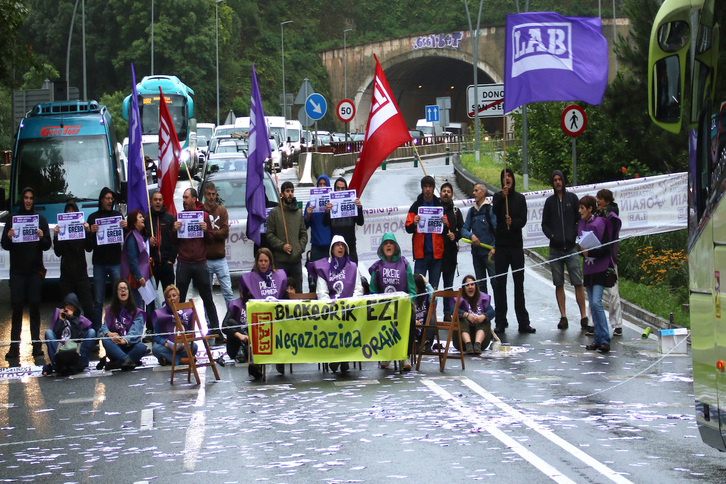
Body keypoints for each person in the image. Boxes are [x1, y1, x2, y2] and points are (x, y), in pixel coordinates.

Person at [1, 187, 52, 358]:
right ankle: (14, 347)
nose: (28, 201)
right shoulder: (13, 218)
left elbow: (47, 245)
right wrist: (8, 236)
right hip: (17, 272)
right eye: (26, 198)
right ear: (22, 200)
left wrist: (41, 236)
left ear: (33, 200)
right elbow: (4, 245)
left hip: (35, 271)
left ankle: (36, 345)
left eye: (31, 198)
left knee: (35, 307)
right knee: (17, 308)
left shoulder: (40, 219)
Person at [172, 188, 223, 344]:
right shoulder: (179, 216)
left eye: (186, 197)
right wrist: (174, 230)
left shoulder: (205, 216)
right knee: (179, 300)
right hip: (184, 262)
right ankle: (179, 332)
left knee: (207, 297)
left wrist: (206, 230)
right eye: (183, 197)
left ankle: (216, 331)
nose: (184, 200)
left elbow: (210, 241)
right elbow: (174, 241)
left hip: (200, 262)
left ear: (194, 199)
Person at [541, 170, 588, 330]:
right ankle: (563, 316)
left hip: (571, 248)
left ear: (564, 181)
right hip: (555, 249)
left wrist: (573, 234)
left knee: (577, 282)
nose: (558, 182)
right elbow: (544, 224)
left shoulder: (572, 199)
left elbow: (579, 219)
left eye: (560, 179)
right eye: (555, 180)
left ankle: (583, 316)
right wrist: (552, 235)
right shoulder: (549, 202)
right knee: (558, 283)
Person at [230, 248, 287, 377]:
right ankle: (256, 364)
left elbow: (284, 296)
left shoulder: (280, 275)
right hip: (258, 318)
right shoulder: (249, 278)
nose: (263, 263)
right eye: (260, 261)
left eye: (266, 261)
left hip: (276, 316)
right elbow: (244, 300)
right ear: (256, 262)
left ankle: (280, 359)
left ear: (270, 262)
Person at [311, 235, 364, 373]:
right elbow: (322, 292)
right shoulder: (324, 267)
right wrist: (331, 306)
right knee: (335, 324)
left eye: (342, 245)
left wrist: (350, 304)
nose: (340, 247)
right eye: (337, 245)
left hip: (350, 309)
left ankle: (340, 358)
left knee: (349, 324)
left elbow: (358, 289)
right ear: (332, 249)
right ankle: (341, 358)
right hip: (331, 310)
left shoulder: (352, 267)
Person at [491, 168, 535, 334]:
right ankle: (501, 321)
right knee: (500, 285)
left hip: (516, 246)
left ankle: (523, 322)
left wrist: (513, 221)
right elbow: (495, 210)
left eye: (509, 176)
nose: (507, 179)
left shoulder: (520, 199)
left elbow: (523, 220)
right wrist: (503, 197)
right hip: (501, 246)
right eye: (504, 177)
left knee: (519, 285)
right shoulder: (497, 197)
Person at [369, 232, 416, 371]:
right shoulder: (376, 267)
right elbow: (372, 291)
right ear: (382, 247)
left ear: (395, 246)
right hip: (383, 308)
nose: (388, 245)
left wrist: (408, 301)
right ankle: (386, 354)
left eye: (391, 243)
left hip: (402, 308)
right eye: (385, 243)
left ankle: (404, 356)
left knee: (411, 319)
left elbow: (412, 290)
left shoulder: (405, 264)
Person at [86, 187, 127, 331]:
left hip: (115, 261)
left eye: (112, 199)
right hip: (99, 264)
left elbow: (126, 239)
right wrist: (90, 233)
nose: (110, 201)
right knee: (98, 301)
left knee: (120, 297)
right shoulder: (92, 217)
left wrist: (125, 227)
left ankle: (120, 328)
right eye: (107, 198)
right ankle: (97, 333)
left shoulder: (118, 215)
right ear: (101, 200)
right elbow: (88, 247)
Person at [578, 195, 612, 353]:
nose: (580, 211)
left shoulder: (601, 223)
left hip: (599, 267)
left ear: (590, 209)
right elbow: (579, 244)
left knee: (597, 302)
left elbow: (606, 247)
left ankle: (605, 338)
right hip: (588, 268)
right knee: (592, 303)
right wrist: (582, 251)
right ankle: (598, 339)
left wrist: (591, 251)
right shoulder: (581, 224)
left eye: (582, 208)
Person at [143, 190, 177, 337]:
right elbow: (139, 239)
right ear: (151, 202)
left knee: (171, 297)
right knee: (150, 299)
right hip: (151, 266)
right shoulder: (145, 218)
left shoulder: (169, 218)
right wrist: (147, 240)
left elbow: (176, 240)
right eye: (155, 200)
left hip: (166, 265)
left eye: (160, 200)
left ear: (163, 202)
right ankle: (151, 328)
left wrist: (171, 260)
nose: (157, 202)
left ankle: (173, 323)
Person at [53, 201, 94, 320]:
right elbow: (57, 252)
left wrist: (88, 233)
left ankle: (91, 336)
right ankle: (68, 335)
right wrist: (56, 236)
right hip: (66, 276)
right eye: (68, 211)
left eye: (73, 211)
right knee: (68, 310)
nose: (70, 213)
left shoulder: (81, 228)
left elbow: (89, 248)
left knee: (88, 307)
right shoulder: (62, 230)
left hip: (81, 275)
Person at [405, 175, 447, 291]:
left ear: (433, 188)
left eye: (430, 187)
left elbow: (446, 231)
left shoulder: (439, 206)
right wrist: (414, 223)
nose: (428, 189)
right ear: (422, 188)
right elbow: (408, 228)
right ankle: (419, 309)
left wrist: (444, 223)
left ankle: (432, 310)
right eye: (425, 187)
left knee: (433, 289)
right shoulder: (416, 206)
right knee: (418, 288)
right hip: (421, 255)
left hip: (436, 255)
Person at [97, 279, 147, 370]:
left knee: (142, 347)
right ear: (116, 293)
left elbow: (136, 333)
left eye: (125, 288)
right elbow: (102, 330)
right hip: (115, 347)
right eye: (120, 289)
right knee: (105, 339)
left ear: (129, 292)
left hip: (130, 346)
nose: (123, 290)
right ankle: (127, 360)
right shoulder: (109, 311)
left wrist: (124, 340)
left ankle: (117, 364)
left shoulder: (137, 312)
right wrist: (110, 334)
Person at [266, 181, 307, 293]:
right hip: (280, 260)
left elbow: (303, 234)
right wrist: (282, 246)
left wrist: (299, 248)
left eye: (292, 191)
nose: (290, 194)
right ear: (282, 194)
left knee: (298, 292)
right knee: (280, 292)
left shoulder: (298, 213)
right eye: (287, 191)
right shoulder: (275, 213)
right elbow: (269, 235)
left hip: (295, 260)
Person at [203, 182, 234, 326]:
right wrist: (215, 233)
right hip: (205, 259)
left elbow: (225, 232)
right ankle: (209, 322)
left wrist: (210, 233)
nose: (211, 197)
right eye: (208, 194)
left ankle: (233, 319)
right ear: (204, 195)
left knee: (228, 291)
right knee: (207, 295)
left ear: (216, 194)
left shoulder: (222, 211)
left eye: (213, 194)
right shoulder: (201, 212)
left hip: (220, 259)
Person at [42, 292, 96, 376]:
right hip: (61, 351)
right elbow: (56, 335)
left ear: (75, 307)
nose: (67, 307)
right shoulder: (59, 318)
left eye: (70, 305)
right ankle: (56, 364)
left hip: (76, 352)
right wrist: (60, 321)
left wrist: (73, 318)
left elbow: (77, 337)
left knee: (91, 332)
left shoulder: (81, 320)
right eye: (66, 305)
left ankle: (81, 362)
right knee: (48, 332)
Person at [461, 183, 497, 294]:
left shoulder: (490, 210)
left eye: (476, 191)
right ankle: (485, 309)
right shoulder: (472, 212)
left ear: (483, 192)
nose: (474, 193)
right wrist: (471, 236)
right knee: (480, 285)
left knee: (495, 282)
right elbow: (464, 229)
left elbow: (498, 231)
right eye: (474, 191)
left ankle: (499, 309)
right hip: (476, 254)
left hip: (490, 254)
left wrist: (495, 247)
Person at [596, 189, 623, 336]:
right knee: (595, 292)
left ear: (607, 201)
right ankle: (593, 323)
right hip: (596, 258)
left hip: (609, 259)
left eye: (600, 199)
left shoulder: (612, 216)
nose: (598, 201)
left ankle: (617, 324)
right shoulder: (596, 215)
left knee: (613, 292)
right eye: (597, 199)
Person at [151, 284, 197, 366]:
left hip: (183, 345)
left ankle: (168, 359)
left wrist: (184, 343)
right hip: (167, 347)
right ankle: (182, 360)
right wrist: (165, 343)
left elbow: (192, 333)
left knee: (194, 347)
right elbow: (156, 335)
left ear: (178, 298)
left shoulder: (187, 311)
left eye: (174, 295)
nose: (172, 298)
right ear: (166, 299)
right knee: (155, 349)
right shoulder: (160, 314)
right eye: (169, 297)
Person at [322, 177, 364, 263]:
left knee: (353, 274)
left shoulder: (353, 203)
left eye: (342, 188)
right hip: (336, 249)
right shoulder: (331, 205)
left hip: (350, 247)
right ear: (335, 189)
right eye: (338, 188)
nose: (340, 190)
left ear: (346, 189)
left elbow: (360, 222)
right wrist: (326, 211)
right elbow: (325, 224)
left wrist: (359, 208)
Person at [439, 182, 464, 321]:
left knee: (448, 286)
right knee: (435, 286)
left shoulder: (455, 212)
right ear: (440, 193)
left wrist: (455, 235)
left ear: (452, 194)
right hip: (436, 253)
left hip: (450, 254)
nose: (446, 193)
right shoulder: (435, 209)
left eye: (448, 191)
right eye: (444, 191)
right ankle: (430, 312)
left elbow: (462, 230)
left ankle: (447, 313)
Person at [305, 175, 332, 292]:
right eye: (319, 184)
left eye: (324, 184)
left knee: (331, 280)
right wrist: (308, 214)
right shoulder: (310, 204)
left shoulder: (333, 204)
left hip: (331, 249)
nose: (321, 187)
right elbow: (305, 226)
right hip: (316, 249)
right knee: (316, 281)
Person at [458, 275, 495, 354]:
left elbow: (492, 312)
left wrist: (483, 316)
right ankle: (468, 344)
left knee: (485, 317)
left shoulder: (483, 298)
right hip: (461, 342)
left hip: (481, 343)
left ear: (476, 286)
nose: (470, 287)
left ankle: (477, 344)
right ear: (464, 288)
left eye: (472, 284)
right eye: (467, 285)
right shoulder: (459, 298)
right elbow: (452, 310)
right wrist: (466, 315)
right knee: (461, 317)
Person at [121, 209, 149, 309]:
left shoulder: (138, 235)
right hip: (135, 280)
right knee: (137, 309)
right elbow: (132, 260)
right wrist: (139, 277)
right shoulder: (132, 238)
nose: (143, 219)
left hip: (140, 277)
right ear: (134, 222)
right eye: (140, 217)